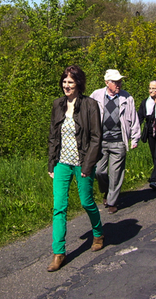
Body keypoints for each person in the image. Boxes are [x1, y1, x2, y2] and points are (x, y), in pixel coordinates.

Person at [47, 65, 104, 272]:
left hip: (82, 163)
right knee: (59, 207)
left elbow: (97, 138)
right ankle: (58, 253)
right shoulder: (57, 104)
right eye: (64, 81)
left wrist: (87, 166)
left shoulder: (90, 105)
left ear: (78, 84)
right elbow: (54, 136)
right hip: (62, 162)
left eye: (70, 82)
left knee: (86, 202)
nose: (66, 85)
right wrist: (51, 162)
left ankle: (98, 232)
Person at [91, 69, 141, 214]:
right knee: (99, 171)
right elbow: (88, 114)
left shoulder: (127, 98)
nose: (119, 84)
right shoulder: (96, 95)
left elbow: (134, 118)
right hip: (101, 141)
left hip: (119, 141)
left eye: (120, 81)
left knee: (115, 173)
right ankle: (106, 191)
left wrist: (135, 138)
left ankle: (112, 201)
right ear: (107, 83)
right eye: (115, 81)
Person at [137, 80, 156, 190]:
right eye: (150, 88)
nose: (151, 91)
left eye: (154, 88)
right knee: (154, 155)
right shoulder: (145, 102)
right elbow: (139, 117)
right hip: (150, 132)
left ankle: (155, 180)